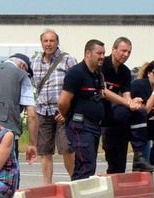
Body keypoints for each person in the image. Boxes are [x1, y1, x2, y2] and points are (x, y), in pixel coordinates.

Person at [59, 40, 140, 180]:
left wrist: (131, 102)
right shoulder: (76, 73)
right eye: (99, 53)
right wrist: (68, 116)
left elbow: (103, 93)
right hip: (80, 124)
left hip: (94, 124)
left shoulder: (97, 75)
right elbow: (63, 102)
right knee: (86, 164)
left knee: (89, 164)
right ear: (88, 53)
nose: (102, 56)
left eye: (103, 53)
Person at [30, 30, 77, 184]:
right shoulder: (35, 61)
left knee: (66, 148)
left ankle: (75, 181)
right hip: (43, 111)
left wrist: (67, 111)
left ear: (57, 42)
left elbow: (76, 86)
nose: (48, 44)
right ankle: (47, 186)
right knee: (44, 151)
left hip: (62, 112)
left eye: (52, 41)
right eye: (46, 41)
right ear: (41, 43)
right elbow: (32, 85)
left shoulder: (68, 60)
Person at [100, 37, 143, 173]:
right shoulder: (102, 65)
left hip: (115, 112)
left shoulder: (125, 71)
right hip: (98, 109)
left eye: (129, 52)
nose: (126, 55)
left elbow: (126, 95)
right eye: (123, 51)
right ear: (113, 50)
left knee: (140, 112)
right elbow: (103, 91)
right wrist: (127, 103)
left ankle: (139, 154)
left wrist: (133, 102)